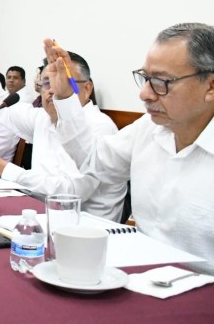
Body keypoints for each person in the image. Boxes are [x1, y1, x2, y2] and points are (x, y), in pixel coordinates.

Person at [49, 22, 214, 274]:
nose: (145, 94)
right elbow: (94, 162)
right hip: (141, 277)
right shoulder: (149, 128)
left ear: (210, 86)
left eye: (161, 81)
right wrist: (65, 97)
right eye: (145, 78)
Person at [0, 12, 126, 221]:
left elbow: (72, 192)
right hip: (39, 216)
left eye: (62, 82)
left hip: (85, 226)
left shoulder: (100, 127)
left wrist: (6, 170)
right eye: (45, 83)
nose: (51, 90)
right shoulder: (42, 117)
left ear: (87, 88)